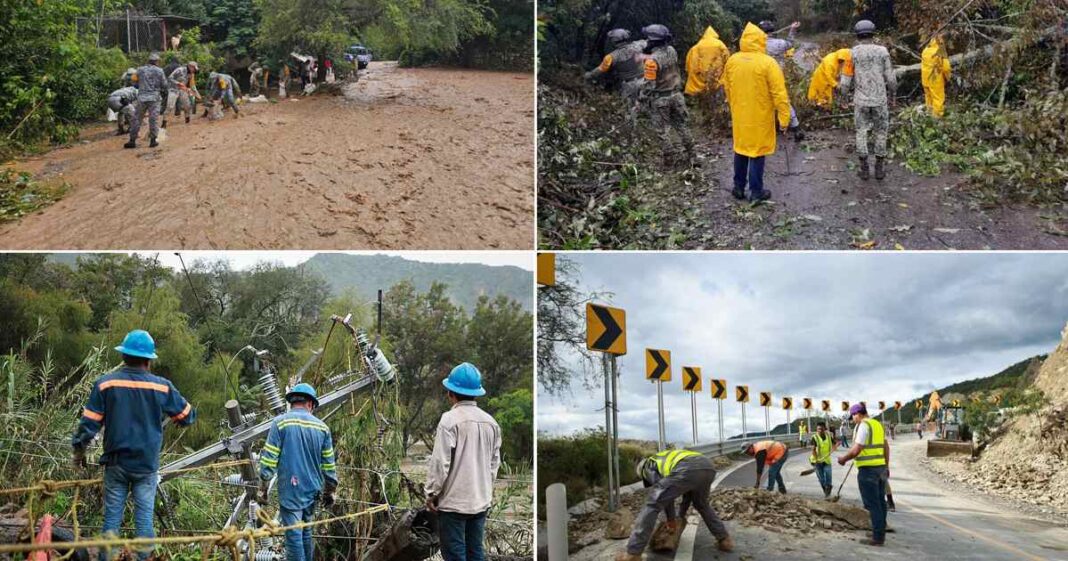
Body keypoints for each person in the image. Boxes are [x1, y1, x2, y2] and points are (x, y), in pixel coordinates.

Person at [71, 330, 196, 560]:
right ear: (149, 360)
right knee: (144, 520)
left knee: (111, 520)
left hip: (116, 464)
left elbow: (88, 425)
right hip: (146, 466)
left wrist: (79, 452)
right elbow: (187, 416)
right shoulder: (162, 387)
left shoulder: (106, 384)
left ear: (124, 356)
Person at [426, 363, 502, 561]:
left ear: (450, 393)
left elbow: (440, 464)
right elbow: (494, 465)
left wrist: (432, 494)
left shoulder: (449, 420)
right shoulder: (491, 422)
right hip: (480, 501)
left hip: (453, 504)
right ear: (476, 393)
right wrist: (484, 488)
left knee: (455, 555)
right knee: (475, 552)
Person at [258, 383, 338, 561]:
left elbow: (269, 459)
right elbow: (329, 465)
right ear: (310, 404)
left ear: (292, 402)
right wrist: (330, 491)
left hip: (291, 490)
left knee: (294, 536)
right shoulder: (322, 428)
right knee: (306, 532)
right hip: (313, 491)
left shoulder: (280, 423)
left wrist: (263, 488)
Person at [616, 449, 733, 561]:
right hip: (708, 467)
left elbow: (664, 496)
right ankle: (724, 540)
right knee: (701, 504)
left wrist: (671, 519)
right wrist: (679, 517)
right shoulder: (665, 457)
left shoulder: (648, 465)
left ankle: (633, 554)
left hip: (688, 467)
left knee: (652, 504)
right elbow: (687, 495)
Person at [721, 22, 792, 203]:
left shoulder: (732, 60)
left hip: (740, 116)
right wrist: (784, 119)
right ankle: (756, 192)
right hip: (760, 117)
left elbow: (727, 87)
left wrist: (733, 105)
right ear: (761, 40)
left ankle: (738, 188)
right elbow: (779, 94)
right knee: (757, 152)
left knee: (741, 149)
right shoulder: (768, 63)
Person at [839, 19, 897, 181]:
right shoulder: (883, 52)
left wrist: (844, 98)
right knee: (881, 132)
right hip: (880, 100)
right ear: (873, 33)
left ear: (857, 35)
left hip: (861, 101)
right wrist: (893, 96)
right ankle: (879, 169)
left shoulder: (852, 54)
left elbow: (845, 81)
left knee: (861, 131)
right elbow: (891, 78)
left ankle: (864, 169)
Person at [640, 24, 695, 166]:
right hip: (677, 96)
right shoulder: (672, 50)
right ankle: (693, 156)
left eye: (647, 39)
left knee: (662, 131)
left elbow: (649, 86)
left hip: (661, 100)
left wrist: (641, 100)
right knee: (682, 126)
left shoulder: (651, 61)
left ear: (652, 41)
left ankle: (669, 160)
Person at [837, 403, 890, 546]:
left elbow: (857, 449)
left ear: (857, 414)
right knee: (880, 501)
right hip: (880, 468)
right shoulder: (877, 424)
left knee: (872, 504)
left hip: (868, 471)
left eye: (853, 416)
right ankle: (879, 529)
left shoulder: (863, 425)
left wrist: (843, 459)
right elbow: (886, 446)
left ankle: (878, 537)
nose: (853, 419)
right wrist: (886, 465)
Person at [758, 20, 804, 141]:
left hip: (760, 78)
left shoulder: (756, 44)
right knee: (783, 102)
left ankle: (765, 131)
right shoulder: (779, 43)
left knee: (762, 103)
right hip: (777, 77)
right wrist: (793, 29)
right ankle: (796, 129)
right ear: (772, 31)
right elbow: (790, 43)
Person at [585, 28, 647, 108]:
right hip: (645, 81)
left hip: (629, 86)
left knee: (629, 109)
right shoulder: (638, 45)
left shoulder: (611, 57)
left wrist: (588, 75)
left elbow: (599, 70)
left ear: (613, 41)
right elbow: (650, 42)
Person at [126, 52, 167, 149]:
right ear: (156, 61)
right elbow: (164, 85)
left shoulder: (140, 70)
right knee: (153, 119)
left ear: (148, 61)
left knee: (137, 119)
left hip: (142, 98)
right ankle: (153, 140)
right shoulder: (160, 71)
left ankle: (132, 140)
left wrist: (140, 86)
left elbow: (133, 81)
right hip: (154, 98)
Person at [684, 26, 730, 97]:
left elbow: (690, 63)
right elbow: (727, 58)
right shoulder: (720, 44)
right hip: (716, 76)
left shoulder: (697, 46)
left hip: (699, 81)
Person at [921, 35, 951, 118]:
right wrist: (948, 77)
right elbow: (946, 68)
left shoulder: (925, 50)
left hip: (925, 79)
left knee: (929, 98)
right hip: (935, 79)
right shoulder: (940, 51)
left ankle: (928, 116)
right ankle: (937, 118)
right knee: (938, 99)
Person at [165, 61, 200, 127]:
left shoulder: (191, 74)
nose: (195, 70)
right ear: (190, 67)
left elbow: (192, 85)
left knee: (187, 105)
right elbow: (169, 78)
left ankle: (187, 122)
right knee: (170, 106)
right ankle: (164, 124)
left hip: (183, 90)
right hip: (173, 89)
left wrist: (195, 94)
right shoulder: (179, 70)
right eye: (194, 69)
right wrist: (178, 83)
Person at [810, 422, 835, 498]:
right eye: (818, 429)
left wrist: (836, 446)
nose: (819, 430)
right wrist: (816, 459)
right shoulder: (815, 437)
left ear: (825, 429)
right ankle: (826, 491)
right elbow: (813, 449)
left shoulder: (828, 436)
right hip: (817, 461)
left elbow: (834, 443)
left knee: (828, 475)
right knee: (821, 479)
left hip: (827, 460)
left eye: (821, 429)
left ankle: (828, 488)